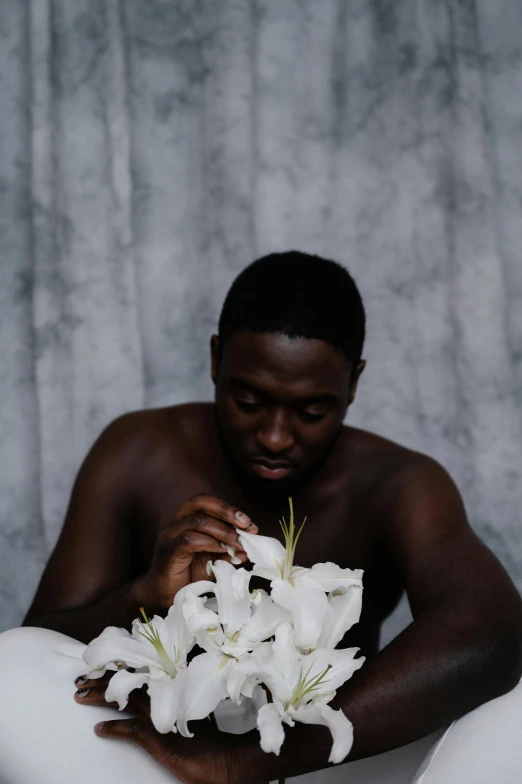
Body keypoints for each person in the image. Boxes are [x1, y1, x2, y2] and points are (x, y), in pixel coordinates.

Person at [1, 251, 522, 784]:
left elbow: (494, 631)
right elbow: (42, 647)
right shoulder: (137, 453)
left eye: (312, 411)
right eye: (248, 400)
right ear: (215, 359)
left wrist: (243, 763)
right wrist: (146, 596)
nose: (275, 437)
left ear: (355, 383)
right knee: (6, 664)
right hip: (163, 764)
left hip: (323, 760)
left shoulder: (400, 484)